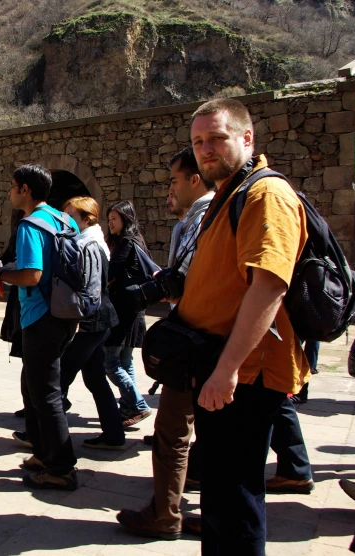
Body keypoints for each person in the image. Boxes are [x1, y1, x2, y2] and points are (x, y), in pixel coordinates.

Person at [170, 98, 309, 555]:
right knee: (223, 498)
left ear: (247, 138)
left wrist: (227, 369)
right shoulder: (232, 192)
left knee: (236, 500)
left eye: (217, 138)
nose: (205, 150)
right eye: (198, 142)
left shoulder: (265, 194)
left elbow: (268, 287)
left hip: (244, 374)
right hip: (218, 364)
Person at [118, 146, 215, 540]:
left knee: (173, 432)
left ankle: (164, 514)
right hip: (215, 337)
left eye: (174, 180)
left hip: (199, 336)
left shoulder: (203, 217)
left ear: (194, 179)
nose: (169, 189)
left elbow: (183, 283)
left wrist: (158, 288)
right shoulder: (221, 210)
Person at [0, 164, 79, 491]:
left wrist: (0, 274)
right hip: (66, 314)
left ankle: (61, 467)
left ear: (25, 189)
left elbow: (31, 275)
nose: (10, 192)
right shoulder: (64, 219)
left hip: (40, 316)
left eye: (13, 186)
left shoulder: (29, 225)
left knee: (46, 394)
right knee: (35, 388)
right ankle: (43, 453)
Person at [58, 196, 125, 450]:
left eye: (72, 216)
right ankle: (114, 435)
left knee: (60, 377)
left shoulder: (88, 244)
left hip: (91, 322)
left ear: (87, 219)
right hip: (99, 320)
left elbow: (90, 290)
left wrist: (77, 319)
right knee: (95, 378)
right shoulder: (90, 241)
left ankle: (46, 438)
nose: (67, 221)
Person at [104, 201, 152, 427]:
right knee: (125, 359)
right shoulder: (138, 240)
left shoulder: (126, 243)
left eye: (114, 218)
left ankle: (138, 404)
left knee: (109, 361)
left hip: (123, 310)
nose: (110, 223)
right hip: (135, 310)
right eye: (109, 218)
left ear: (125, 219)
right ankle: (129, 406)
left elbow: (111, 272)